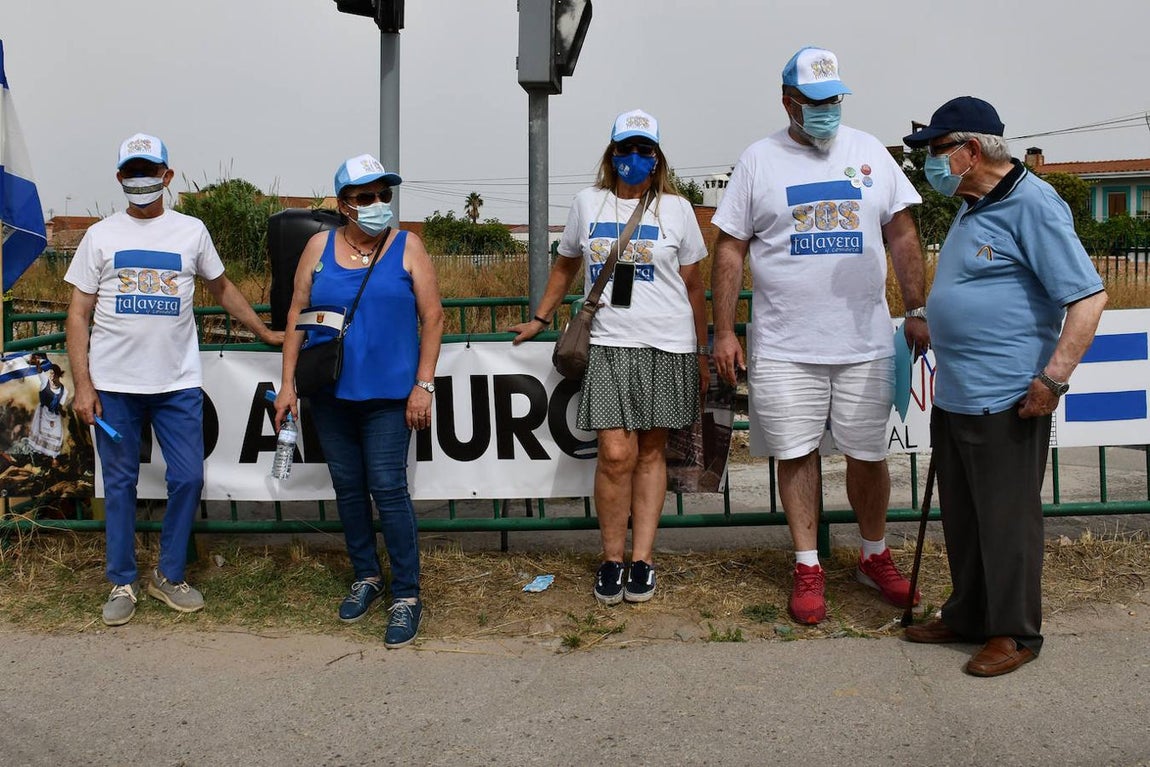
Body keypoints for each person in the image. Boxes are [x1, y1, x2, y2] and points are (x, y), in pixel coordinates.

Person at [710, 47, 931, 624]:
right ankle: (808, 565)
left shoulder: (871, 154)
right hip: (785, 345)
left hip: (863, 342)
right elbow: (729, 246)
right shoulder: (758, 161)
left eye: (834, 99)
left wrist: (918, 306)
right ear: (789, 102)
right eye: (815, 102)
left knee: (868, 455)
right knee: (795, 454)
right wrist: (724, 331)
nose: (827, 110)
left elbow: (903, 234)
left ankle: (874, 556)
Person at [901, 97, 1107, 676]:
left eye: (937, 152)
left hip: (1010, 396)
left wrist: (1052, 379)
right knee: (965, 518)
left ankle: (1014, 633)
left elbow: (1089, 298)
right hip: (958, 393)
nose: (929, 164)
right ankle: (968, 614)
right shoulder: (973, 204)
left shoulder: (1034, 204)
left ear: (970, 151)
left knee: (1007, 520)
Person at [65, 133, 284, 627]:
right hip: (115, 385)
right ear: (121, 179)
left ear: (168, 175)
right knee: (118, 485)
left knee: (188, 477)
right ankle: (121, 580)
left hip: (177, 384)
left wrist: (265, 332)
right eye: (132, 171)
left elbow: (222, 287)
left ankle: (168, 574)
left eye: (150, 170)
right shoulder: (100, 236)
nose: (142, 179)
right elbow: (78, 314)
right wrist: (84, 384)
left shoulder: (191, 230)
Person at [509, 109, 709, 605]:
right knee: (615, 454)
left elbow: (694, 286)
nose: (634, 159)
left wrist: (703, 351)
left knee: (651, 452)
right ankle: (611, 558)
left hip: (668, 344)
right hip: (608, 344)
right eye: (625, 149)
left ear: (657, 157)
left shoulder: (678, 210)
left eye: (644, 150)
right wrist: (540, 317)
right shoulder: (587, 203)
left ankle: (643, 560)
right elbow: (566, 264)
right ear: (611, 153)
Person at [274, 154, 443, 649]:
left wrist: (424, 385)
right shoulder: (317, 247)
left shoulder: (408, 246)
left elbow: (432, 318)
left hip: (391, 396)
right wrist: (288, 385)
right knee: (348, 488)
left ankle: (407, 596)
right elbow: (296, 315)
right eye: (366, 196)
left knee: (388, 489)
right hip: (329, 393)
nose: (377, 204)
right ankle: (367, 577)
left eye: (383, 195)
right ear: (344, 204)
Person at [28, 363, 70, 463]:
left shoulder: (64, 391)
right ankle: (38, 457)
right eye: (51, 374)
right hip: (43, 413)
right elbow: (40, 372)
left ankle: (51, 458)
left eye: (54, 374)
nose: (52, 376)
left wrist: (63, 412)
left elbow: (60, 405)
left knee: (55, 434)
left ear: (59, 375)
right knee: (40, 433)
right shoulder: (45, 382)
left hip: (55, 415)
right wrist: (37, 363)